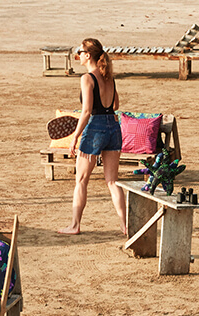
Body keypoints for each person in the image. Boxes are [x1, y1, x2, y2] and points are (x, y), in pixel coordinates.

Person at [58, 38, 127, 235]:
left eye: (80, 51)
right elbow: (115, 106)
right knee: (113, 182)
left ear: (88, 55)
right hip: (113, 127)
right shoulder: (109, 77)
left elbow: (86, 111)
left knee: (81, 180)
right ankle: (125, 226)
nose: (78, 55)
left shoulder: (87, 78)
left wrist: (75, 136)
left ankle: (75, 225)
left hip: (96, 127)